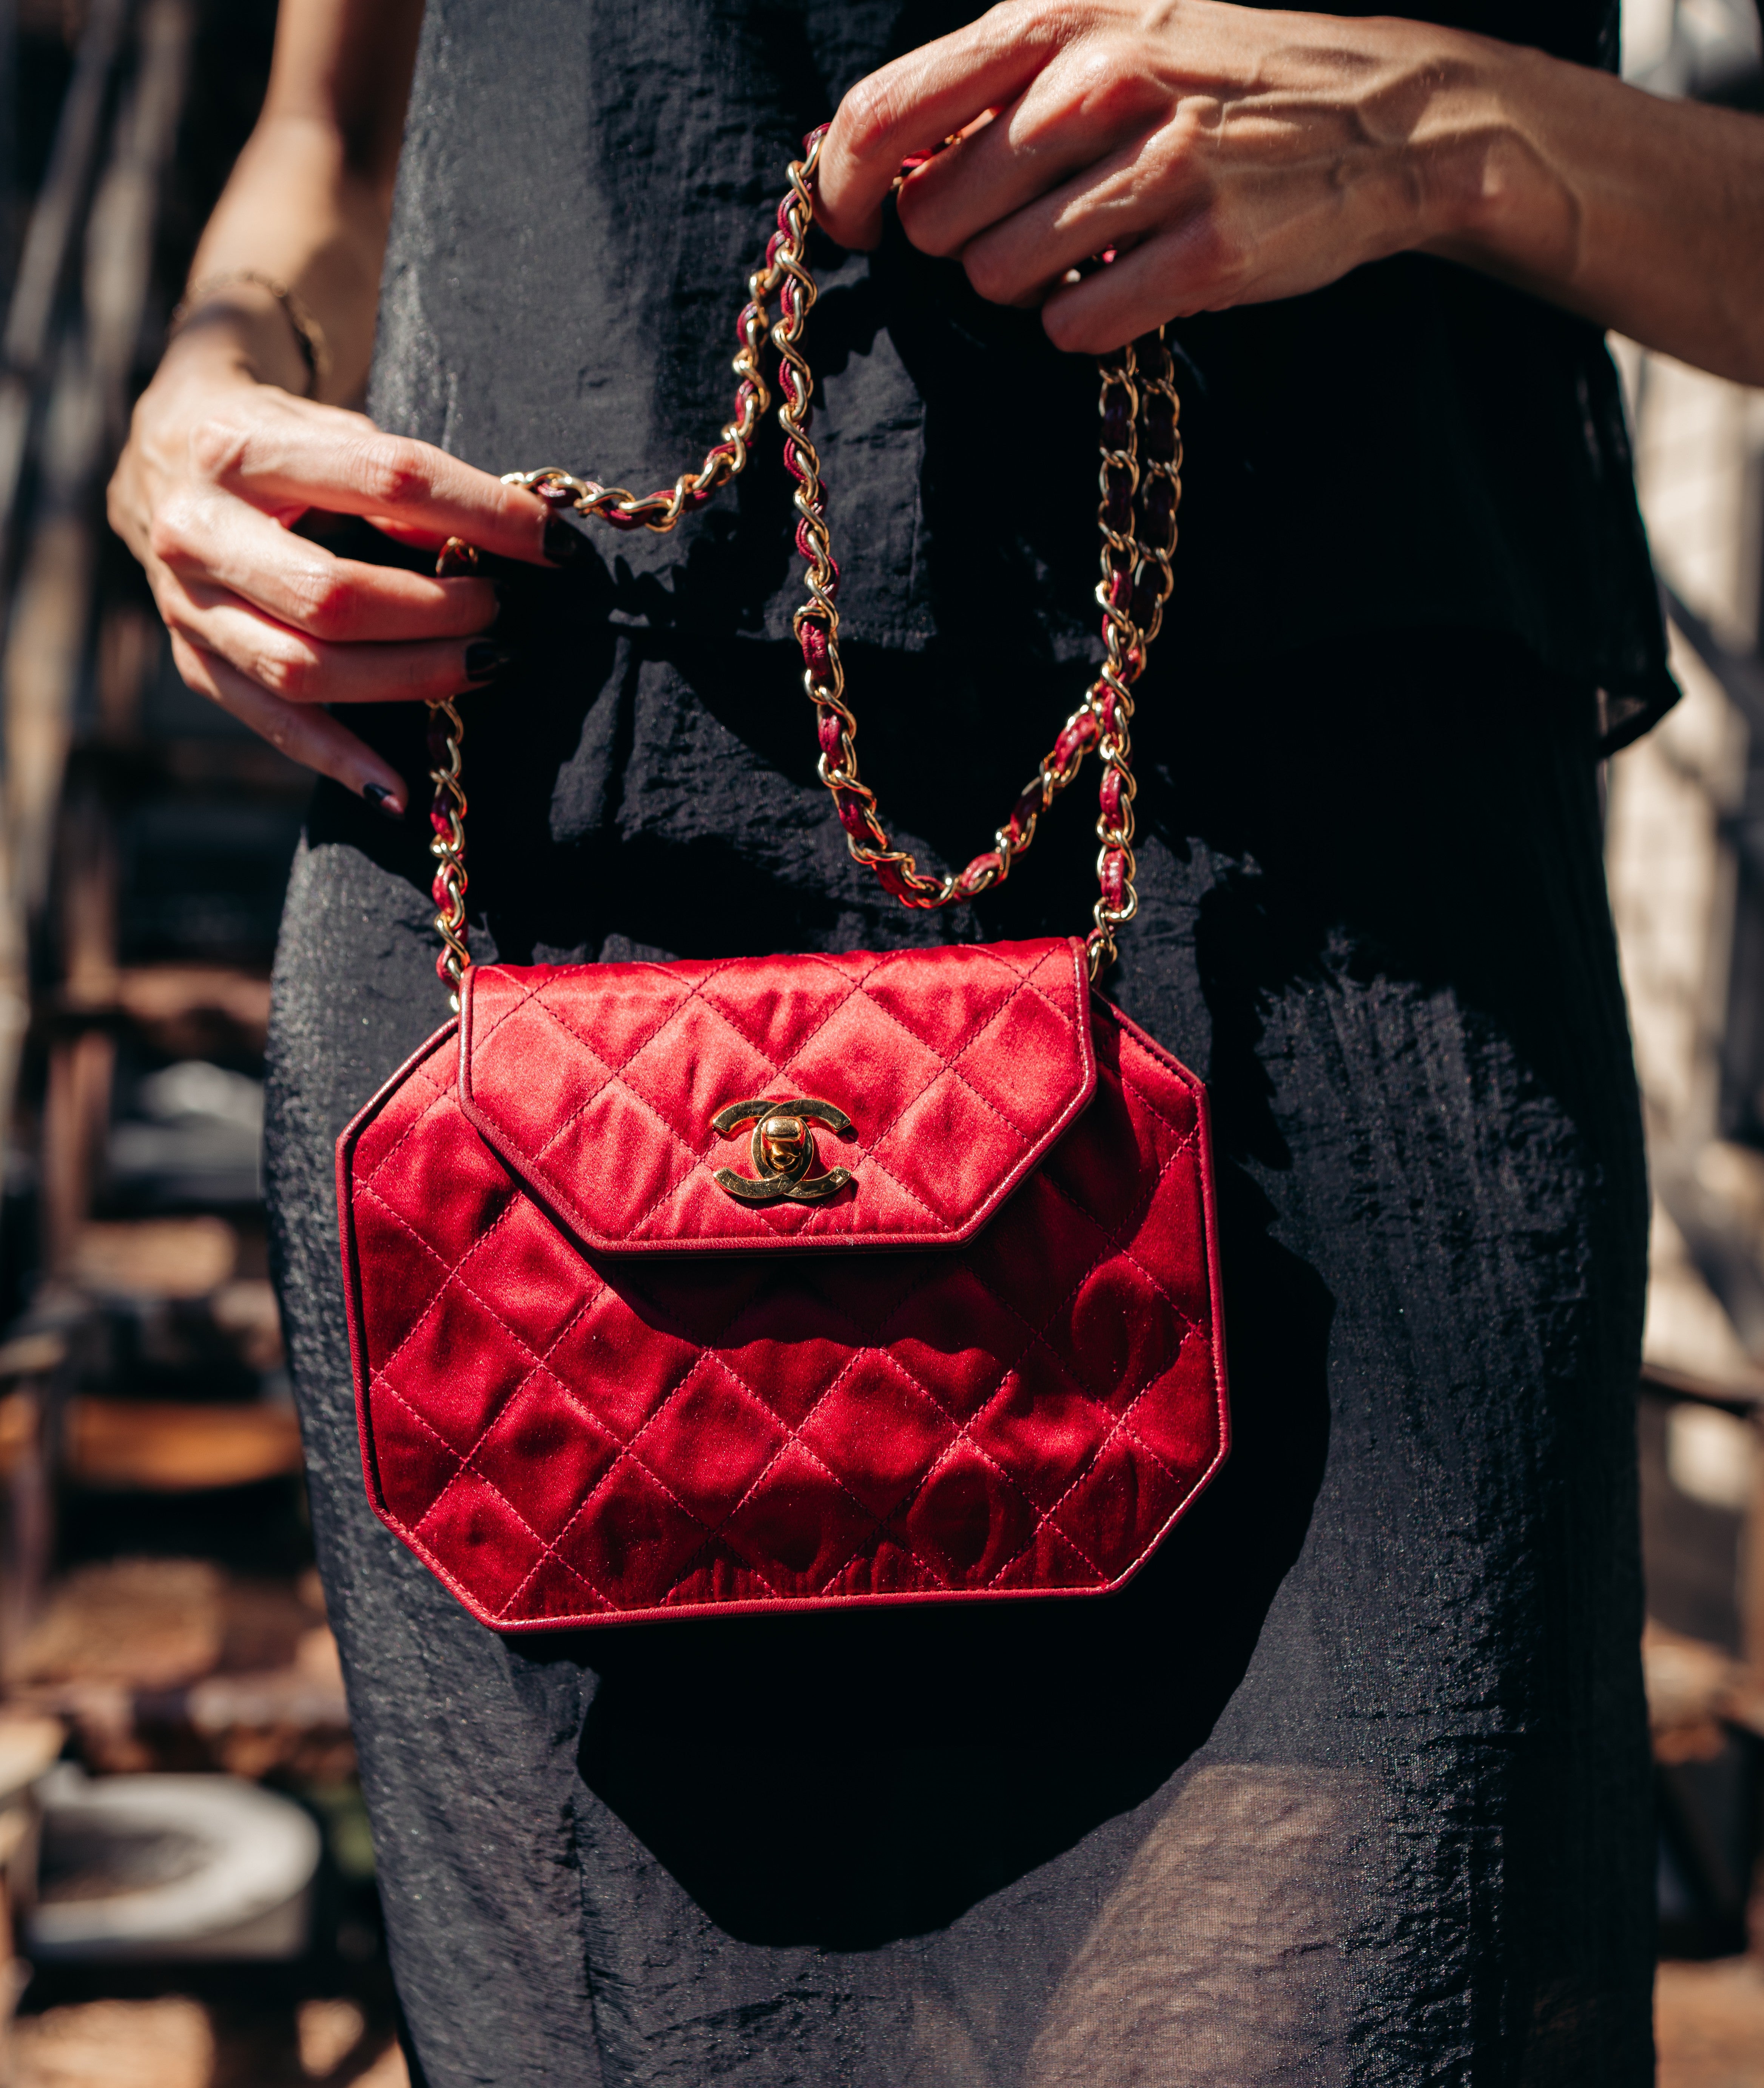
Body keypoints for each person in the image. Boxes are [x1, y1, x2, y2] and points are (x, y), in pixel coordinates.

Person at [108, 3, 1764, 2083]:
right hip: (550, 947)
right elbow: (325, 146)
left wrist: (1438, 128)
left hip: (1311, 960)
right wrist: (203, 385)